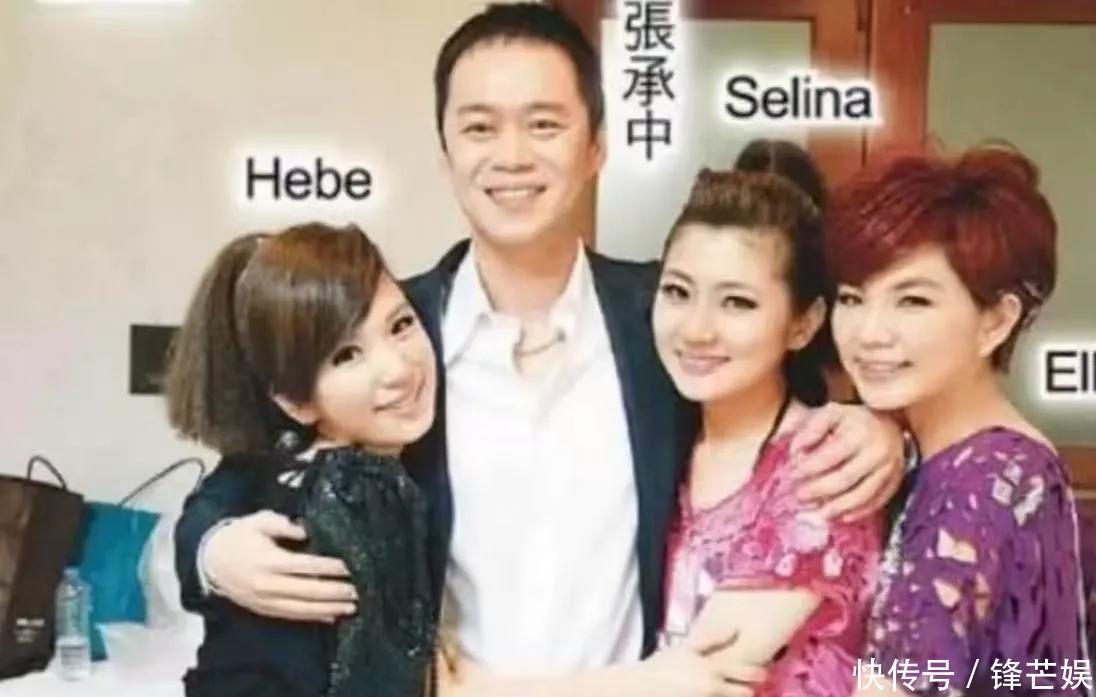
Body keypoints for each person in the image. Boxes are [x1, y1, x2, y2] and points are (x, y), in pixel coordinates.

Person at [175, 4, 907, 693]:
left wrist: (886, 429)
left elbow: (779, 406)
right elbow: (250, 471)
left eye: (544, 124)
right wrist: (210, 550)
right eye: (480, 127)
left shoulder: (665, 319)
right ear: (446, 154)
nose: (512, 156)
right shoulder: (397, 339)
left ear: (596, 147)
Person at [823, 146, 1096, 695]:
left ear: (995, 321)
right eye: (852, 299)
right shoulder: (960, 452)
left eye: (913, 301)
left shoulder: (981, 483)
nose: (869, 333)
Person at [165, 223, 438, 697]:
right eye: (347, 355)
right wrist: (211, 551)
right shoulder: (359, 489)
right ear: (296, 402)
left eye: (400, 326)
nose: (397, 370)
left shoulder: (292, 465)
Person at [653, 169, 880, 697]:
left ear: (803, 323)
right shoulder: (664, 433)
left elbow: (700, 681)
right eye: (678, 292)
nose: (696, 329)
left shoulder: (821, 469)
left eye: (737, 302)